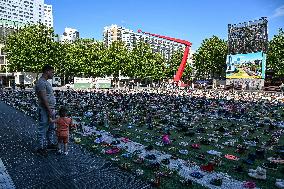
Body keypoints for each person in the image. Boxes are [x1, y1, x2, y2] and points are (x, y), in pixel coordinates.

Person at [34, 64, 57, 156]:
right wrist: (49, 110)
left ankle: (49, 144)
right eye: (52, 72)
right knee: (42, 128)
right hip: (45, 109)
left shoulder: (46, 82)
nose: (53, 74)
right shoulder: (41, 82)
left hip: (50, 108)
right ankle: (40, 147)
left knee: (51, 128)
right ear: (47, 71)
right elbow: (44, 98)